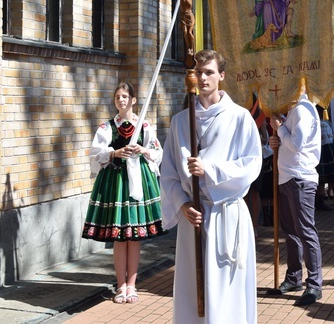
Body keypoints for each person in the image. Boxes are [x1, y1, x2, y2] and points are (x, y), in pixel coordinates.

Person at [160, 50, 262, 323]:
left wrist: (210, 171)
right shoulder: (181, 121)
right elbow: (168, 173)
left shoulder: (239, 118)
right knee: (191, 294)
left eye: (209, 72)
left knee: (226, 293)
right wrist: (182, 204)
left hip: (225, 215)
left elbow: (252, 165)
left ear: (221, 76)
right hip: (192, 217)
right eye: (198, 72)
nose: (203, 77)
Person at [82, 82, 164, 304]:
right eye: (118, 96)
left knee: (134, 235)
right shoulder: (107, 127)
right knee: (120, 236)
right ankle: (120, 285)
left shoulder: (144, 126)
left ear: (133, 100)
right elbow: (95, 153)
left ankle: (132, 285)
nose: (122, 100)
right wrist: (114, 152)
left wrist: (143, 150)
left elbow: (157, 151)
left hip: (138, 180)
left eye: (126, 96)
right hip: (116, 182)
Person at [269, 91, 325, 306]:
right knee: (291, 231)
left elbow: (297, 144)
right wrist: (277, 139)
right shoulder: (292, 109)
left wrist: (280, 129)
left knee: (305, 231)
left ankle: (314, 284)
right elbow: (287, 142)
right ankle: (294, 277)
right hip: (287, 177)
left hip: (300, 177)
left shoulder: (302, 109)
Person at [316, 105, 334, 208]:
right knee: (321, 177)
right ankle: (320, 200)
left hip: (328, 149)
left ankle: (333, 197)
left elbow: (331, 136)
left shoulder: (327, 123)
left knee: (330, 176)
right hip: (322, 150)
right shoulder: (317, 123)